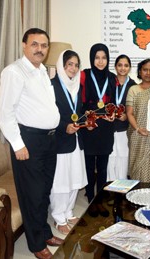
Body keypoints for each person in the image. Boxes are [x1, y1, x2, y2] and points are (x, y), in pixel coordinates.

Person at [0, 28, 62, 259]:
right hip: (29, 141)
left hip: (49, 140)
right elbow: (5, 114)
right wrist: (18, 144)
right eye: (35, 44)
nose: (40, 49)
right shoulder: (14, 72)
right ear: (24, 45)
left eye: (44, 45)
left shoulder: (43, 71)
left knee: (44, 191)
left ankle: (44, 232)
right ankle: (36, 244)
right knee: (32, 194)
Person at [49, 50, 88, 235]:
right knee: (61, 181)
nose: (73, 68)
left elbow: (77, 112)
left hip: (76, 140)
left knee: (75, 178)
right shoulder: (52, 86)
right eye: (69, 64)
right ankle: (58, 217)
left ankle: (69, 211)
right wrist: (65, 127)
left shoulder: (76, 87)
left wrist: (85, 122)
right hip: (60, 141)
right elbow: (49, 116)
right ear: (61, 65)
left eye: (76, 64)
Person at [80, 43, 116, 217]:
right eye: (97, 57)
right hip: (89, 127)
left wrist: (113, 113)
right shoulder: (84, 75)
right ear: (92, 58)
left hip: (106, 128)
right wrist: (84, 112)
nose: (100, 61)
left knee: (102, 167)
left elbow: (114, 103)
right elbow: (79, 99)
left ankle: (100, 199)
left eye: (104, 58)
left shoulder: (112, 77)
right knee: (89, 166)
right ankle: (90, 198)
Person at [126, 58, 150, 182]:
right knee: (136, 169)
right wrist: (138, 128)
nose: (148, 73)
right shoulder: (133, 90)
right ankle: (136, 198)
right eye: (145, 70)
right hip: (137, 134)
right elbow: (129, 113)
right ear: (140, 72)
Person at [107, 54, 136, 181]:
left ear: (129, 68)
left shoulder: (133, 86)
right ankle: (109, 187)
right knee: (110, 157)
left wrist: (128, 116)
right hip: (110, 126)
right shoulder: (109, 82)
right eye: (120, 65)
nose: (122, 68)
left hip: (125, 128)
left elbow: (136, 107)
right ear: (115, 67)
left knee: (123, 157)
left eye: (126, 65)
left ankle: (122, 185)